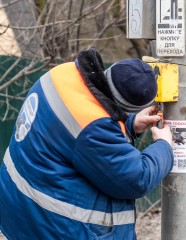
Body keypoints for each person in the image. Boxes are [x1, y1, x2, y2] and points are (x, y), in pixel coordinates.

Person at [0, 48, 174, 240]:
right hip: (49, 224)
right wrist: (164, 145)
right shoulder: (93, 127)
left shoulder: (64, 74)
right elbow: (136, 178)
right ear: (124, 107)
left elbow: (77, 129)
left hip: (18, 205)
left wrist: (130, 122)